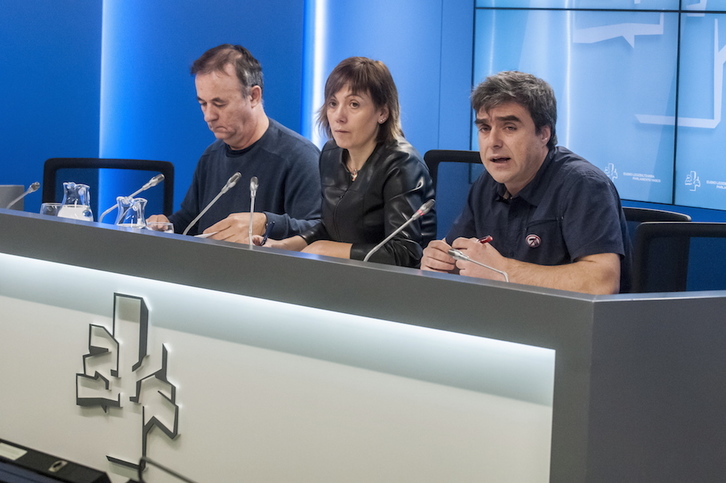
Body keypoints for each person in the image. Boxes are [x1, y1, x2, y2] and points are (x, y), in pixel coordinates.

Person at [421, 71, 632, 294]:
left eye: (509, 127)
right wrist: (442, 263)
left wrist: (502, 270)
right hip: (502, 320)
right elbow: (460, 256)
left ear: (544, 134)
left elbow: (601, 283)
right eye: (484, 128)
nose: (493, 142)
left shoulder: (583, 185)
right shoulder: (487, 183)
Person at [260, 57, 436, 267]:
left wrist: (325, 249)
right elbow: (330, 228)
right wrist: (285, 246)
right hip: (344, 276)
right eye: (333, 103)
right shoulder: (331, 153)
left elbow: (404, 252)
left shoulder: (403, 164)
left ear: (382, 112)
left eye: (354, 104)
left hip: (394, 287)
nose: (339, 116)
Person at [147, 44, 321, 242]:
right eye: (203, 104)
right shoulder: (210, 157)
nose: (208, 116)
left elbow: (317, 230)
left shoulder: (300, 157)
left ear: (253, 96)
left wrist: (266, 222)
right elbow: (191, 221)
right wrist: (165, 226)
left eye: (219, 103)